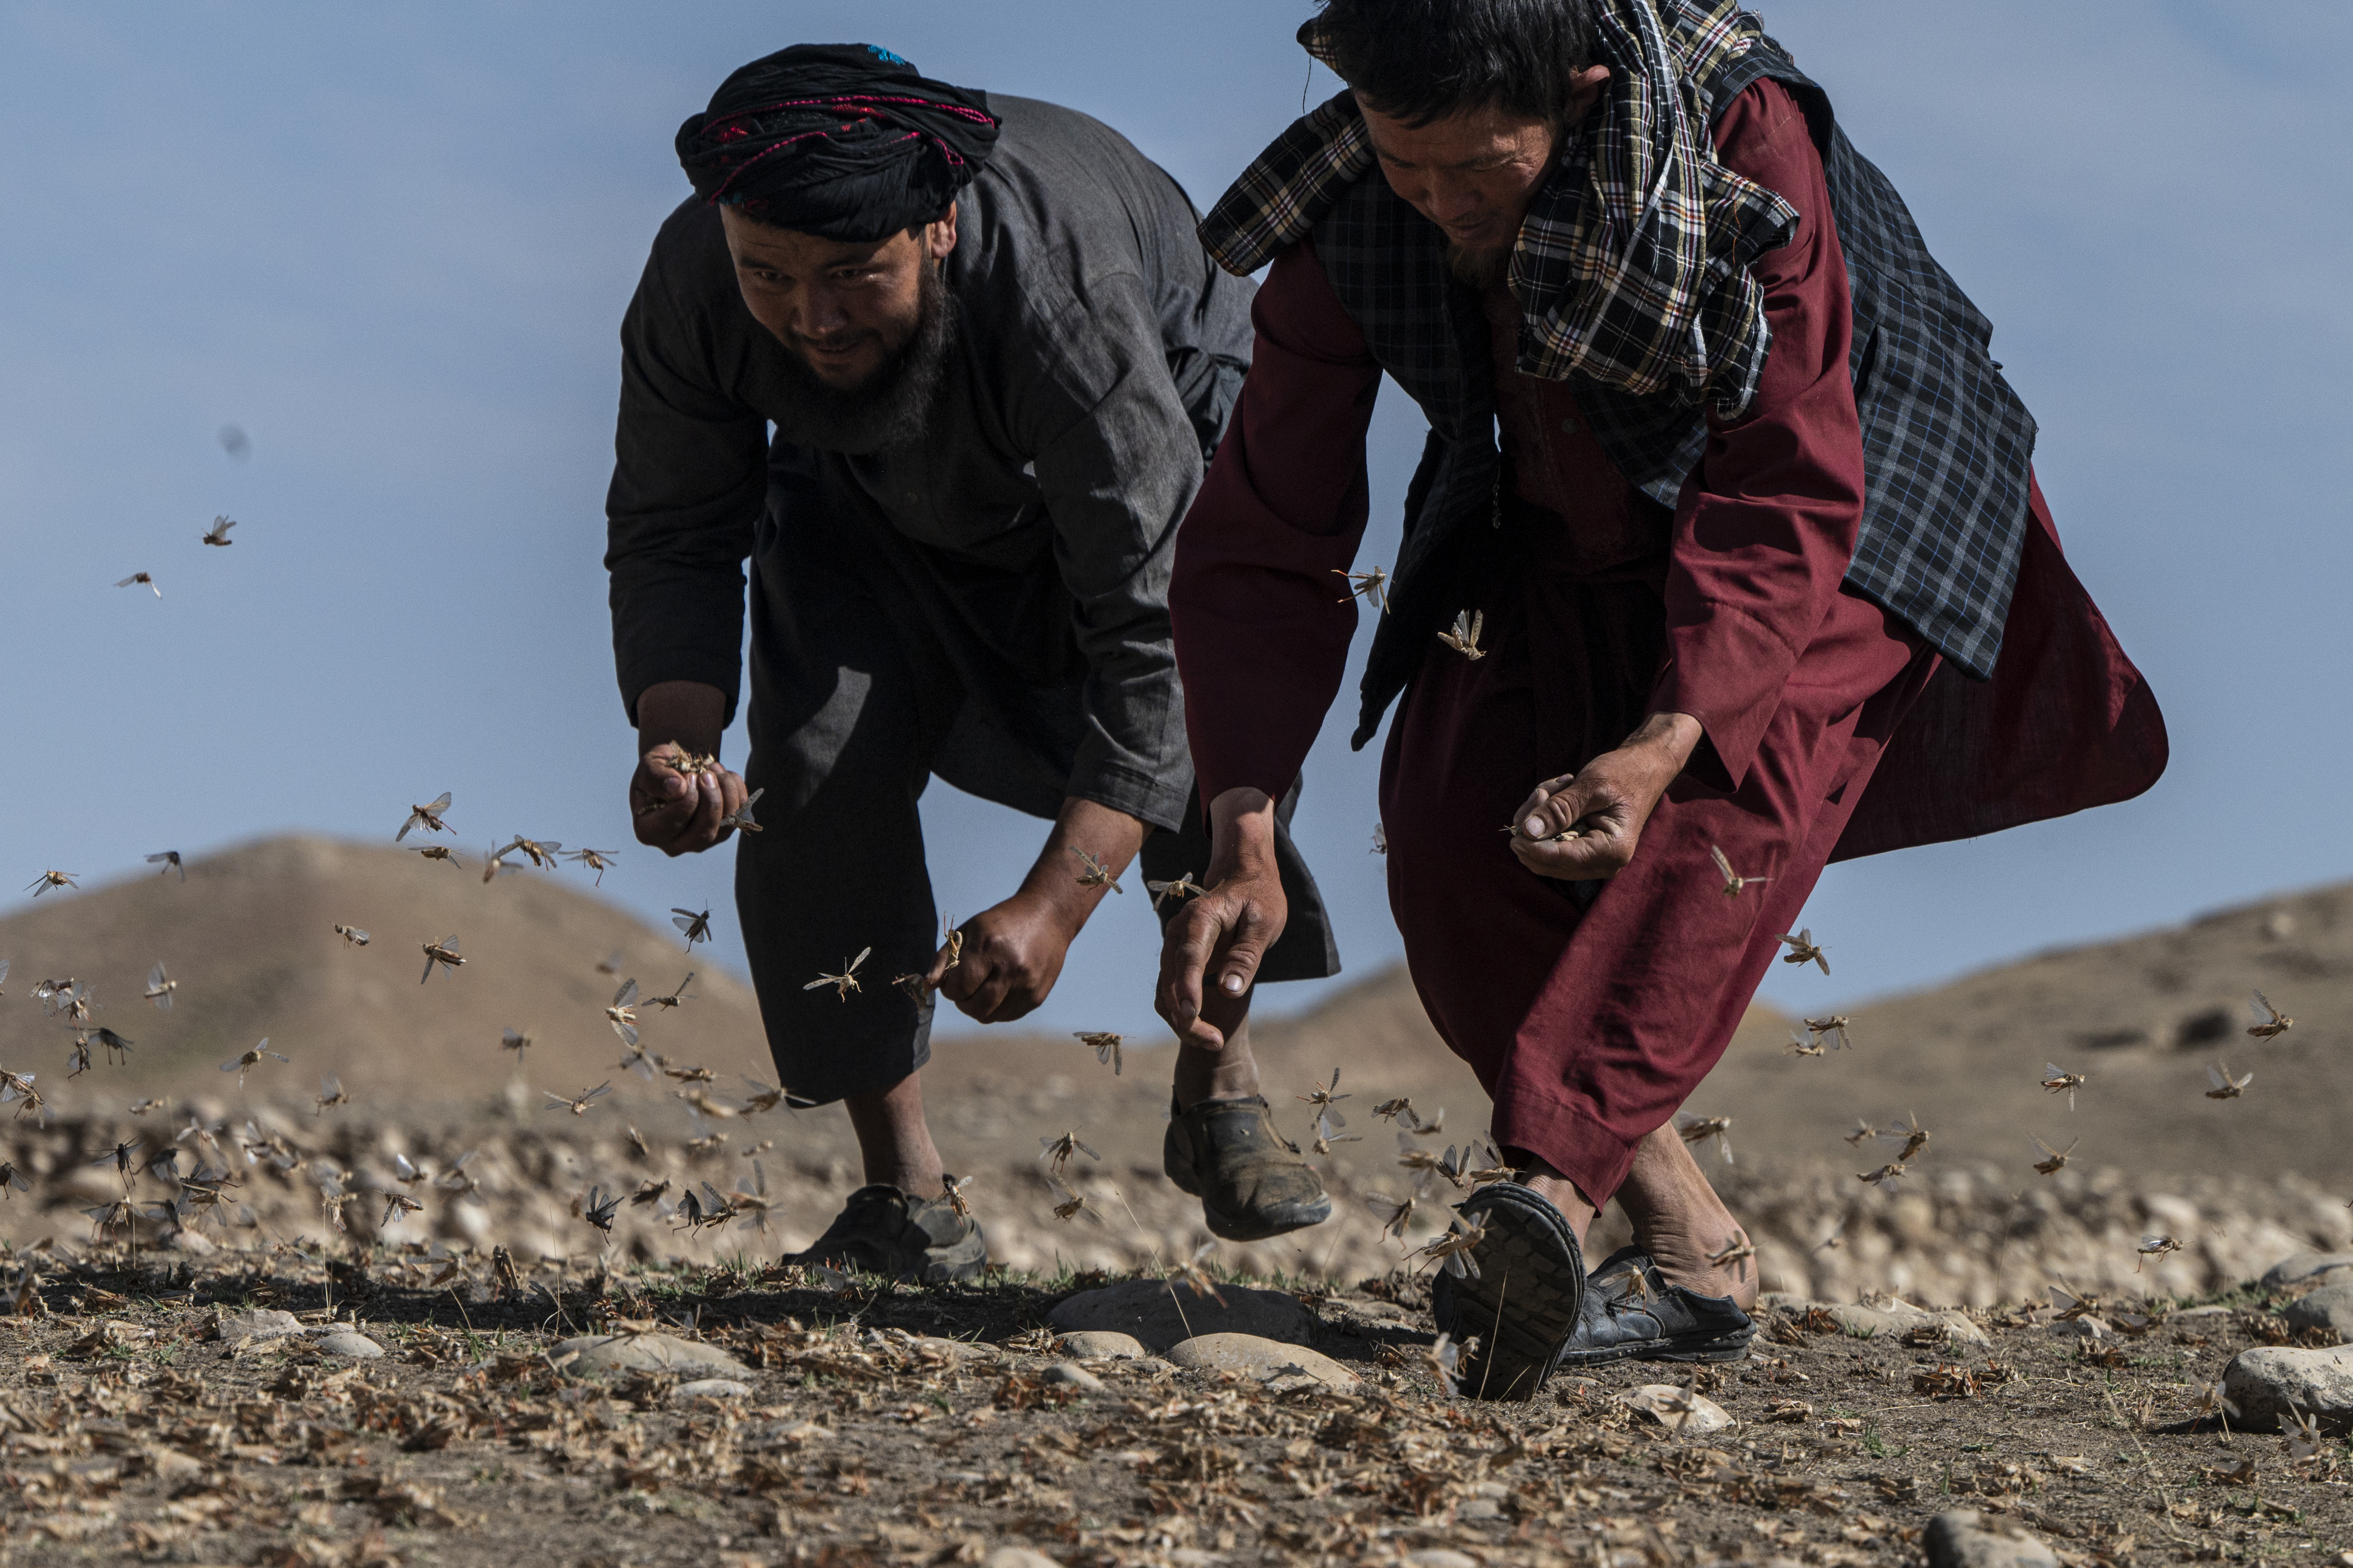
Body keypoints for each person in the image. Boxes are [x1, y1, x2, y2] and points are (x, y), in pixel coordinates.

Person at [1158, 0, 2166, 1397]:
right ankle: (1691, 1258)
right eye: (1409, 166)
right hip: (1570, 498)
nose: (1440, 203)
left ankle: (1543, 1213)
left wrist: (1661, 732)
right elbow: (1265, 535)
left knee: (1711, 809)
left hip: (1843, 481)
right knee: (1452, 834)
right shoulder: (1347, 201)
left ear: (1573, 98)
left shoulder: (1738, 126)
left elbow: (1784, 476)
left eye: (1477, 170)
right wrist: (1243, 821)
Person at [606, 43, 1342, 1282]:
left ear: (938, 230)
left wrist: (1057, 901)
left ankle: (1219, 1079)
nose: (811, 316)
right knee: (814, 757)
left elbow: (1157, 629)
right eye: (770, 277)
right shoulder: (699, 279)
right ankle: (908, 1198)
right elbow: (677, 527)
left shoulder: (1064, 296)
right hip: (864, 482)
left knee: (1209, 741)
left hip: (1159, 435)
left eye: (853, 276)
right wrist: (677, 746)